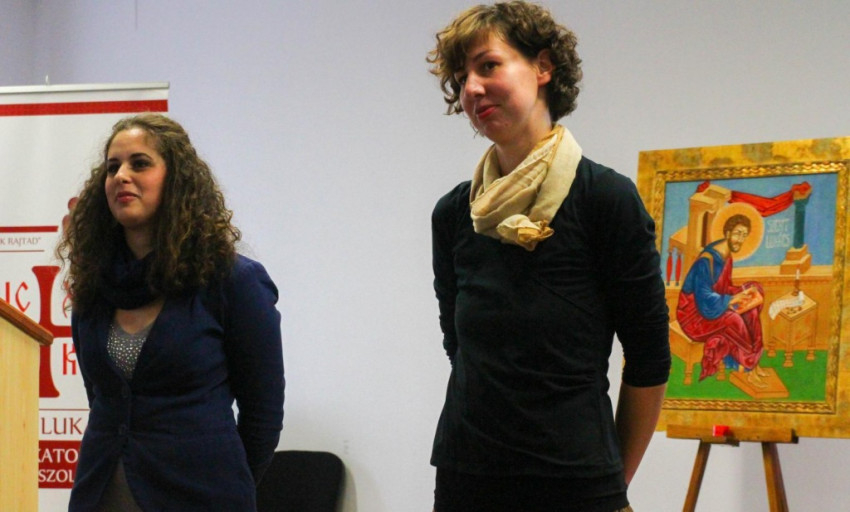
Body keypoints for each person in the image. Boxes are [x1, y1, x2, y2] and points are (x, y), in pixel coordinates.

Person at [426, 2, 671, 511]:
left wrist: (611, 485)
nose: (472, 88)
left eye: (488, 65)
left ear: (542, 67)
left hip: (578, 483)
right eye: (462, 77)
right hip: (467, 478)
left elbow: (649, 359)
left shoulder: (605, 199)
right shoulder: (454, 214)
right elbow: (460, 349)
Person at [56, 113, 285, 511]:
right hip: (100, 494)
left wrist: (227, 485)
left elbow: (263, 414)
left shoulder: (233, 281)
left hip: (203, 496)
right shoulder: (93, 286)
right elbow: (102, 399)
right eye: (112, 167)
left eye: (139, 163)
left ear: (176, 179)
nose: (121, 176)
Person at [676, 214, 767, 386]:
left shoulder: (727, 256)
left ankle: (754, 363)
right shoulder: (706, 261)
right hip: (694, 317)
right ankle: (748, 368)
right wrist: (731, 299)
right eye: (738, 233)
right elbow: (704, 300)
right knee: (734, 320)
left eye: (744, 235)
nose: (740, 240)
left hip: (714, 305)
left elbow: (723, 287)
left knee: (751, 310)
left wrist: (744, 292)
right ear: (727, 233)